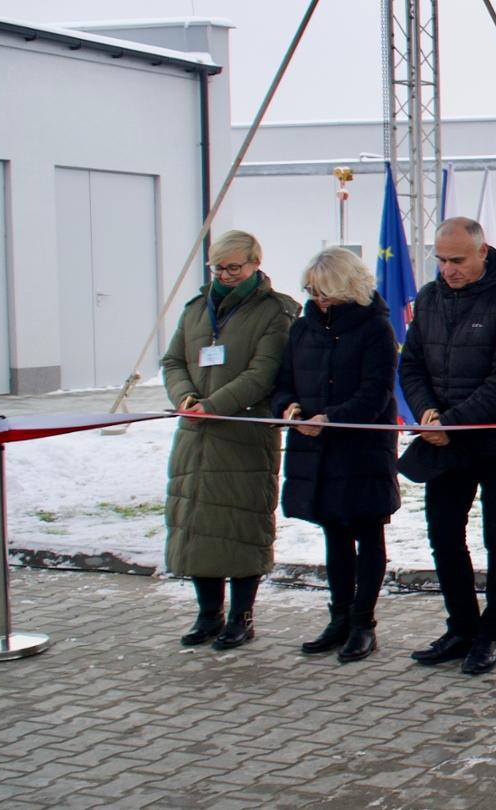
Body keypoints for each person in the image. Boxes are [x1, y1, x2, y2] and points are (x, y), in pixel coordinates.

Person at [399, 216, 496, 676]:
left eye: (457, 260)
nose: (448, 270)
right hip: (442, 440)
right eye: (440, 260)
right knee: (443, 532)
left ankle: (492, 634)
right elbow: (411, 365)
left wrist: (453, 424)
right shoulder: (429, 298)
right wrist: (427, 413)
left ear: (482, 251)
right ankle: (461, 626)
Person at [161, 229, 299, 650]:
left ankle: (241, 617)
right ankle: (208, 614)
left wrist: (214, 405)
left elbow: (263, 372)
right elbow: (173, 360)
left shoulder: (275, 311)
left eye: (233, 267)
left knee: (241, 526)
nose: (224, 275)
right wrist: (186, 398)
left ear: (255, 264)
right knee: (197, 526)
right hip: (196, 434)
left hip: (243, 433)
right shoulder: (196, 309)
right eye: (218, 268)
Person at [274, 247, 402, 663]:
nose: (318, 300)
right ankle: (339, 618)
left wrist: (332, 418)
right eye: (312, 291)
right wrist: (289, 408)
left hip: (361, 449)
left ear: (348, 287)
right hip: (316, 449)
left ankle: (364, 623)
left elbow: (376, 392)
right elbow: (283, 382)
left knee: (367, 533)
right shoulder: (302, 328)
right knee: (334, 534)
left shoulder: (375, 328)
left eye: (325, 291)